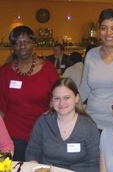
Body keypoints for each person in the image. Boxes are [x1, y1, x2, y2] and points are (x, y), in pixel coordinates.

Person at [0, 25, 59, 161]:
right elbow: (1, 109)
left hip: (43, 133)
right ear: (12, 47)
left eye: (26, 41)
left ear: (34, 44)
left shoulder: (48, 69)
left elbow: (58, 100)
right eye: (17, 42)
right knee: (12, 169)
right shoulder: (5, 72)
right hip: (12, 138)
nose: (22, 46)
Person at [25, 78, 100, 172]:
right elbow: (32, 151)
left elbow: (95, 163)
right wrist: (35, 166)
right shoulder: (43, 122)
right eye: (57, 98)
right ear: (52, 101)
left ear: (76, 98)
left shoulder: (88, 127)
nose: (61, 103)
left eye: (66, 98)